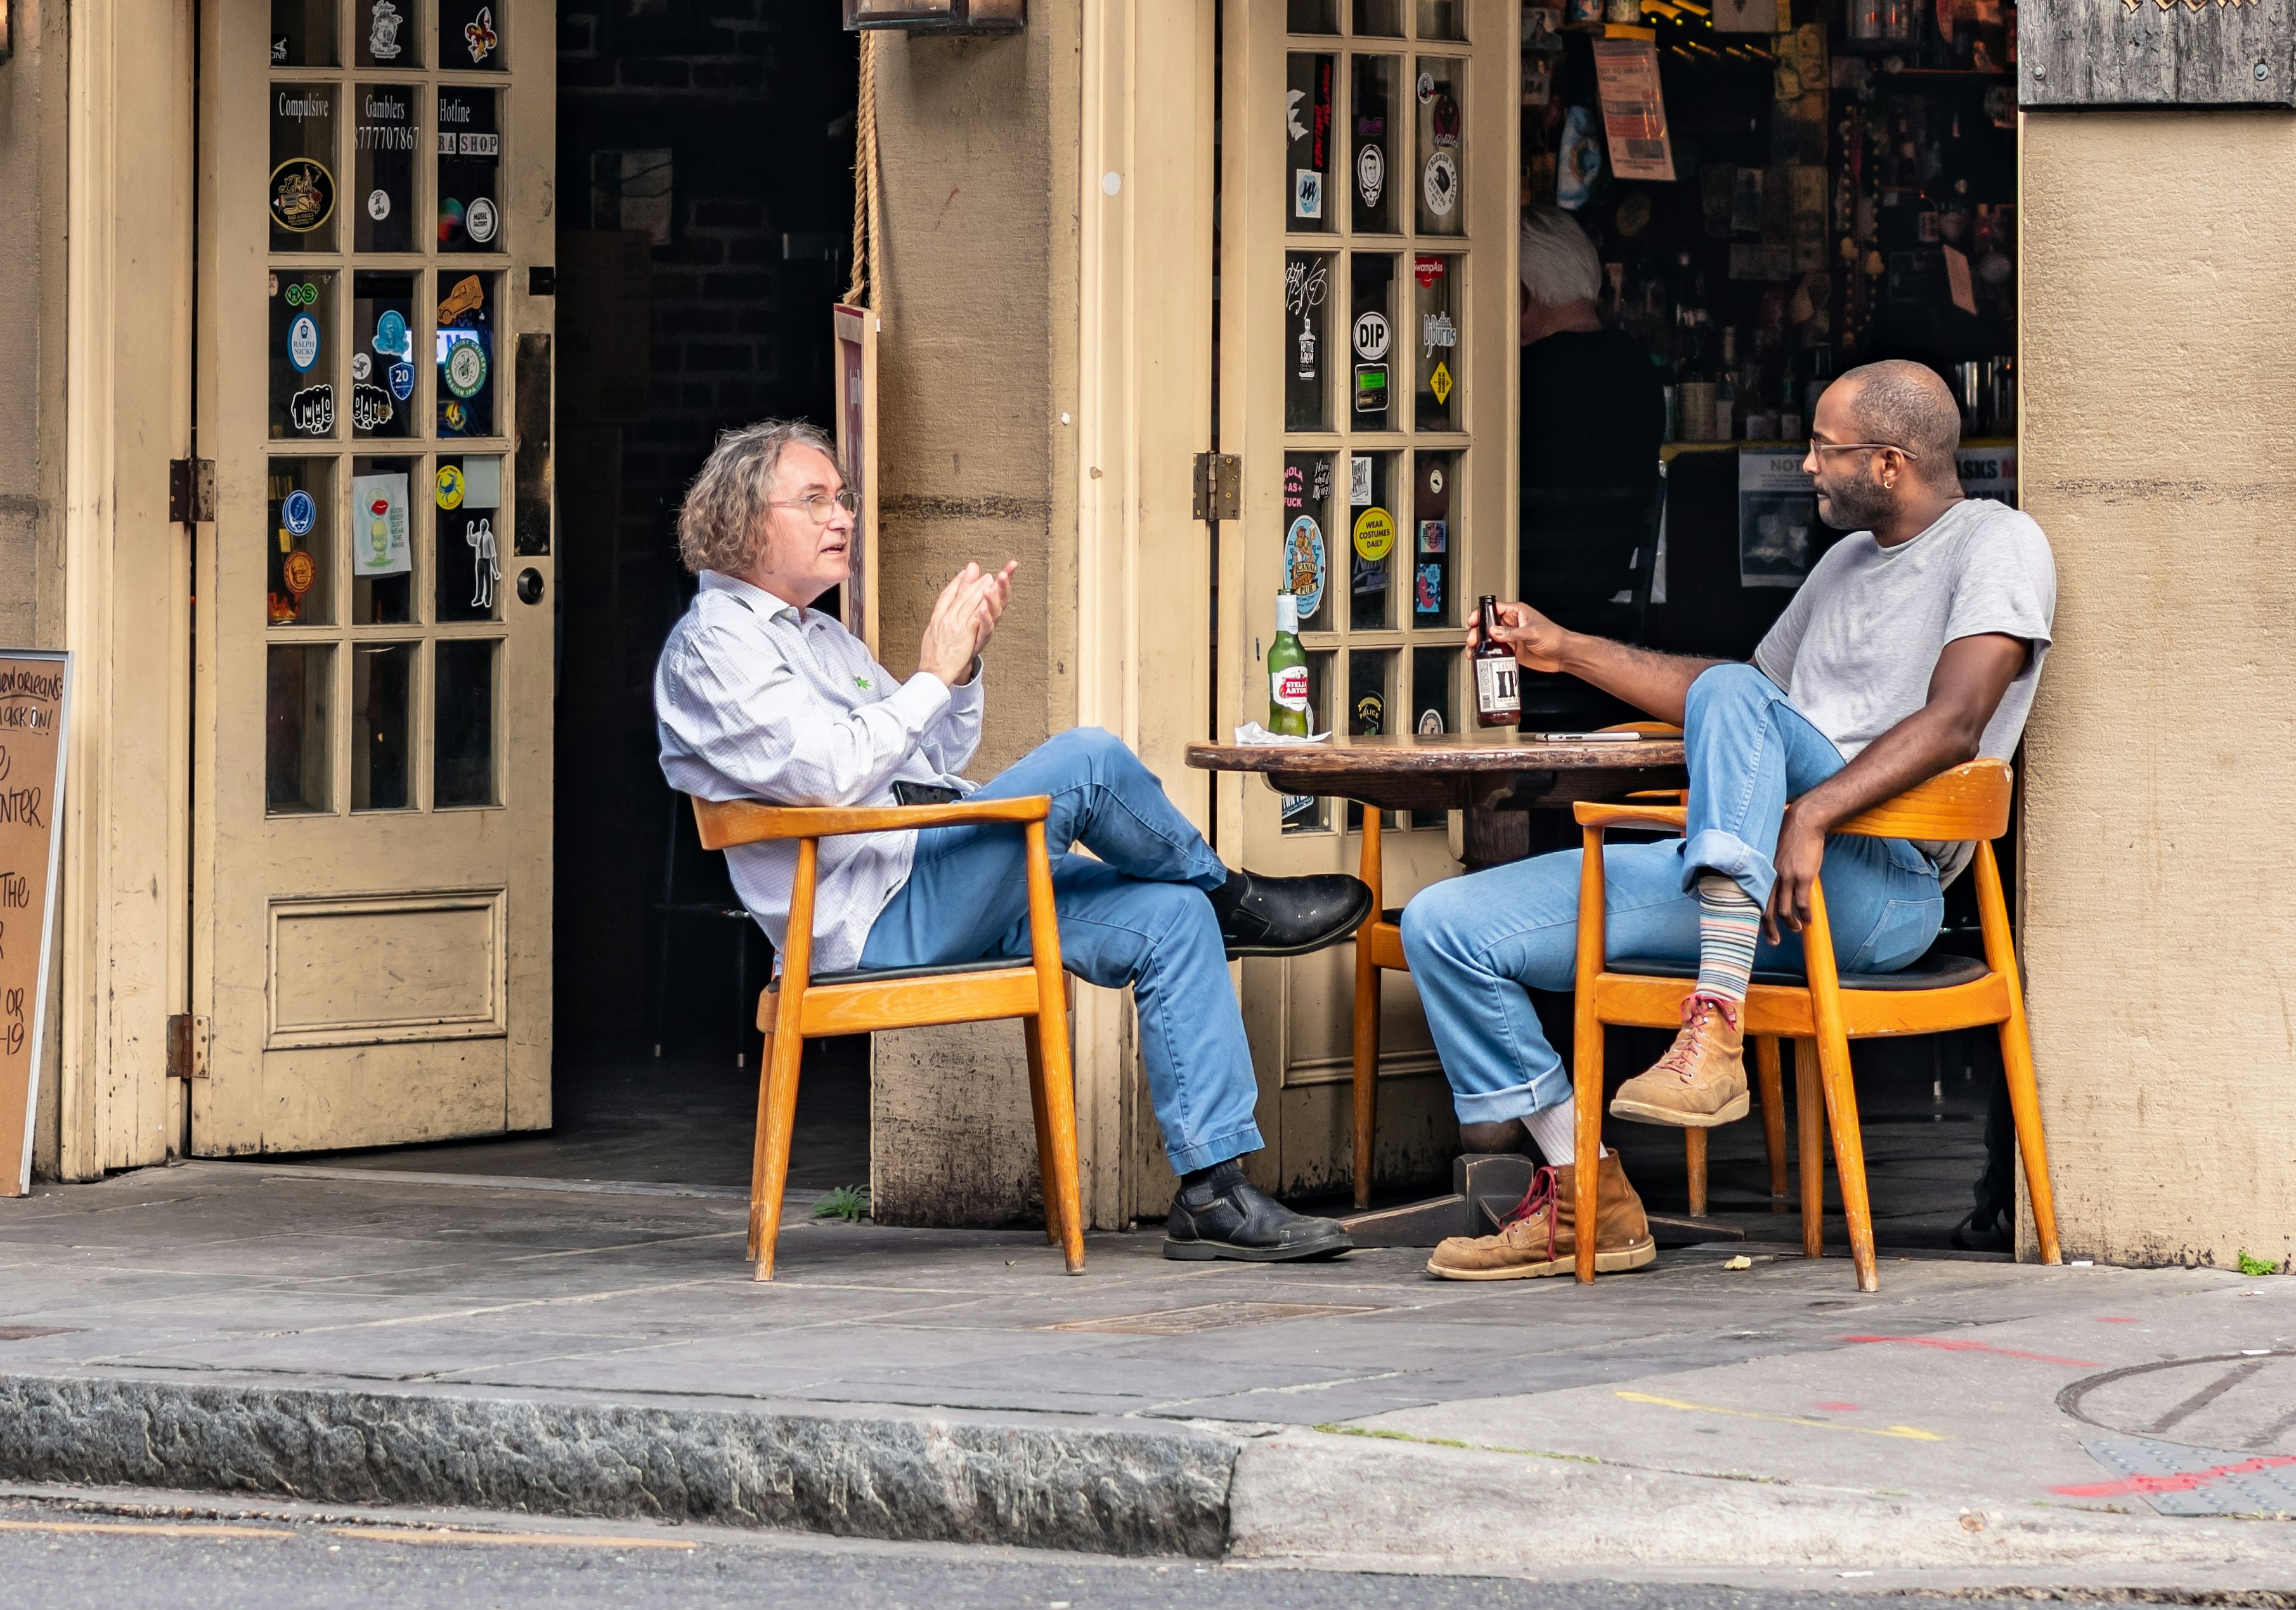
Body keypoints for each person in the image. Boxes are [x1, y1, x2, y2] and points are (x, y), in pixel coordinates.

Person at [651, 417, 1370, 1265]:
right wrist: (927, 674)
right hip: (877, 917)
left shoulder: (821, 636)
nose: (842, 514)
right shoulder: (714, 649)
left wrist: (959, 669)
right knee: (1089, 761)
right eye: (815, 499)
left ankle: (1213, 1193)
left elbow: (932, 754)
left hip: (942, 874)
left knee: (1171, 919)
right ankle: (1234, 896)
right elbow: (833, 773)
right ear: (743, 521)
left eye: (842, 496)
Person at [1401, 358, 2049, 1283]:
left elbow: (1957, 720)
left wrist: (1816, 809)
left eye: (1827, 449)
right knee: (1446, 927)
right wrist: (1563, 648)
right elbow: (1730, 705)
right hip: (1765, 886)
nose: (1807, 466)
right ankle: (1590, 1188)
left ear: (1893, 462)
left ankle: (1714, 1022)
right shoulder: (1842, 566)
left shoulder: (1998, 543)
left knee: (1736, 692)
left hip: (1882, 884)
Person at [1504, 208, 1683, 727]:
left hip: (1515, 623)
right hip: (1605, 621)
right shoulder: (1638, 371)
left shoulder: (1513, 378)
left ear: (1519, 295)